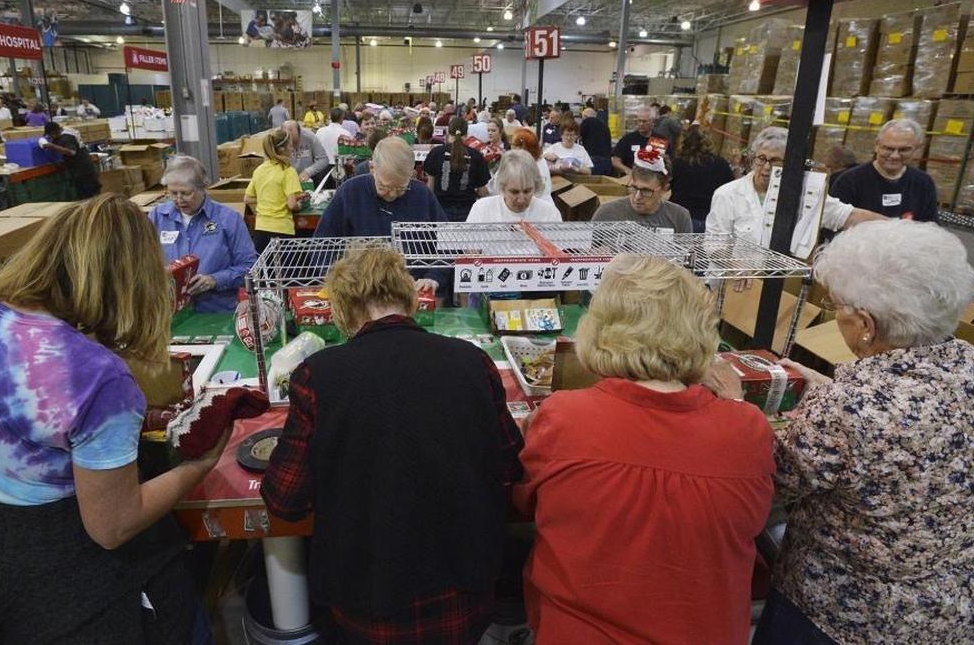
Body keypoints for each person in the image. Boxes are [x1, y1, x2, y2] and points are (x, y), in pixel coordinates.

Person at [0, 194, 225, 644]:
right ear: (131, 283)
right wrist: (197, 466)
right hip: (62, 593)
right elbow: (112, 526)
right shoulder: (93, 374)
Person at [743, 220, 974, 645]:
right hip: (951, 612)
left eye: (838, 307)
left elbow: (766, 484)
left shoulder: (849, 406)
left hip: (842, 617)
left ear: (865, 323)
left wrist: (737, 413)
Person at [262, 248, 523, 644]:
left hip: (369, 595)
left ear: (344, 309)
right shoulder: (472, 360)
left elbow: (285, 499)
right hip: (465, 587)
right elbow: (510, 465)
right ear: (410, 298)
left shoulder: (318, 374)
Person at [514, 253, 774, 644]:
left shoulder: (563, 417)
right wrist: (735, 406)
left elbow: (522, 502)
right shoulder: (747, 427)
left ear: (601, 327)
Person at [706, 126, 882, 245]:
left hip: (781, 285)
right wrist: (735, 266)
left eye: (776, 161)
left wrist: (898, 227)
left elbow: (845, 215)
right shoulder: (727, 194)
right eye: (762, 159)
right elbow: (714, 245)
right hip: (733, 286)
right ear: (753, 158)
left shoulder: (806, 194)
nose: (767, 167)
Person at [149, 155, 258, 313]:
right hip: (169, 315)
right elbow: (143, 263)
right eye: (173, 193)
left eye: (186, 193)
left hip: (215, 314)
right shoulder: (157, 217)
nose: (179, 199)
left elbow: (250, 268)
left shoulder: (228, 219)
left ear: (202, 187)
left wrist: (214, 280)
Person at [315, 137, 446, 239]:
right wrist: (339, 273)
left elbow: (446, 243)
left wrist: (434, 274)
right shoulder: (349, 192)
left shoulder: (422, 194)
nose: (392, 194)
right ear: (372, 168)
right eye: (384, 187)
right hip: (361, 273)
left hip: (414, 273)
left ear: (412, 175)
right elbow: (321, 244)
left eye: (401, 188)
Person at [830, 119, 938, 222]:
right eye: (888, 148)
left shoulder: (923, 183)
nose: (895, 156)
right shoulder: (849, 181)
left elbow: (931, 226)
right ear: (877, 145)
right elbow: (831, 225)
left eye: (904, 150)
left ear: (917, 149)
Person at [592, 148, 692, 233]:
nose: (637, 197)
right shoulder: (606, 214)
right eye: (634, 188)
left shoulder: (679, 217)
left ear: (664, 189)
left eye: (646, 191)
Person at [244, 130, 306, 255]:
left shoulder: (259, 170)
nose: (292, 148)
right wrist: (300, 203)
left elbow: (247, 198)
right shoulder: (288, 171)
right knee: (292, 271)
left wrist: (266, 198)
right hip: (282, 230)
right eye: (290, 145)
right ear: (283, 149)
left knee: (266, 272)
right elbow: (292, 205)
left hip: (261, 230)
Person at [422, 117, 491, 222]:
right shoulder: (476, 156)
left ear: (448, 133)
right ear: (466, 134)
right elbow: (482, 191)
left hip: (441, 209)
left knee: (442, 238)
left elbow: (430, 187)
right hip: (467, 210)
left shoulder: (436, 153)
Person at [670, 124, 734, 232]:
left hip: (680, 217)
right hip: (711, 219)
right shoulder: (721, 164)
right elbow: (730, 191)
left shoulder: (677, 164)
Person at [467, 150, 561, 223]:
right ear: (502, 187)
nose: (521, 199)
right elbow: (469, 247)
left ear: (535, 186)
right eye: (514, 192)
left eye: (527, 191)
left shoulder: (549, 213)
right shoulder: (482, 209)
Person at [38, 121, 100, 200]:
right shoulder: (66, 130)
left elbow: (72, 152)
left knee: (87, 195)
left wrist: (51, 146)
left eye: (51, 135)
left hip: (81, 169)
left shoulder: (66, 138)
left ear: (55, 131)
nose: (51, 137)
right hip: (84, 165)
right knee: (90, 192)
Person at [282, 119, 330, 184]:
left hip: (310, 178)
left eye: (294, 142)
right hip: (288, 178)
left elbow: (324, 159)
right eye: (289, 144)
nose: (292, 146)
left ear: (299, 132)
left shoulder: (310, 137)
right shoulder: (279, 139)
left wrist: (308, 171)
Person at [611, 108, 654, 174]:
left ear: (652, 122)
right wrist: (627, 170)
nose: (641, 124)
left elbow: (668, 163)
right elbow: (615, 161)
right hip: (631, 179)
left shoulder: (661, 140)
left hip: (653, 180)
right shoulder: (628, 139)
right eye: (639, 121)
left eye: (644, 121)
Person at [579, 108, 613, 175]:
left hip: (592, 159)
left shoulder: (586, 122)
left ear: (585, 116)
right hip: (606, 161)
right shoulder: (605, 126)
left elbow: (576, 136)